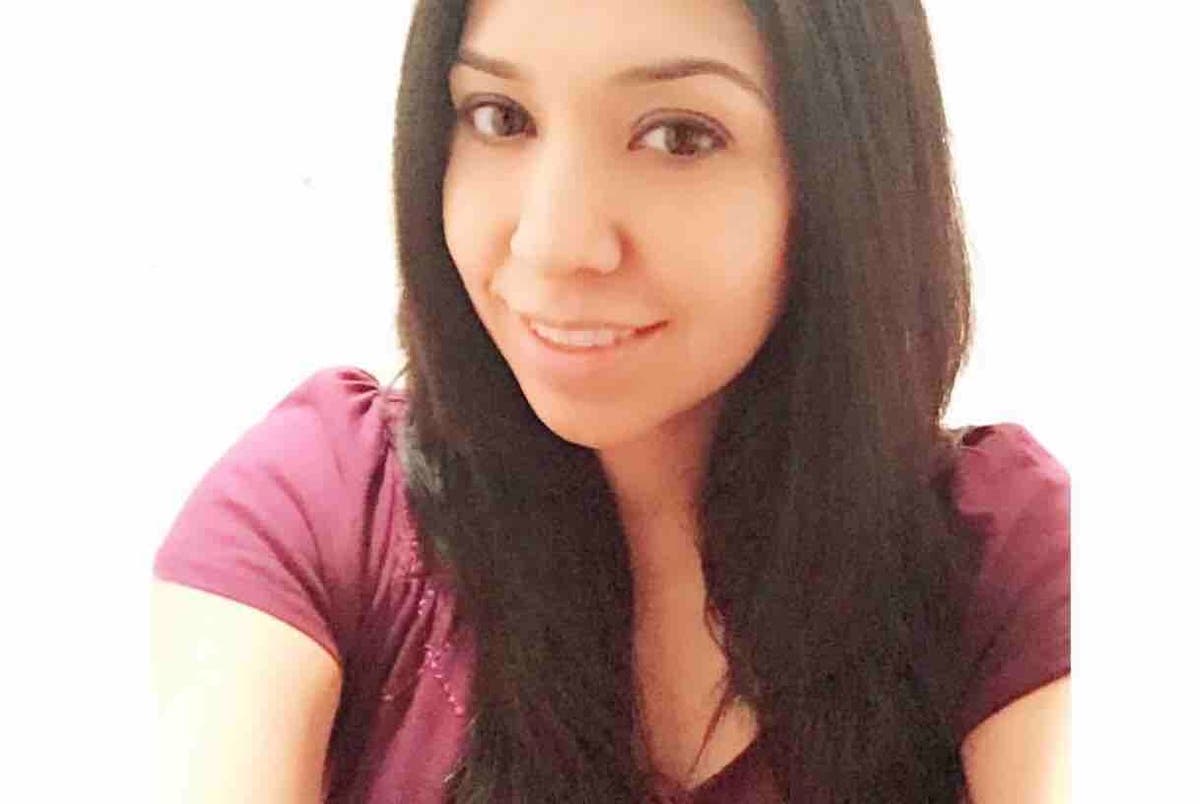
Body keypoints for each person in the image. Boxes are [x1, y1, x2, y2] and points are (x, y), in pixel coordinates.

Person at [150, 0, 1070, 801]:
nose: (552, 244)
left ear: (848, 171)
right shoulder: (324, 510)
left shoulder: (1005, 564)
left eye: (679, 136)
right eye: (501, 117)